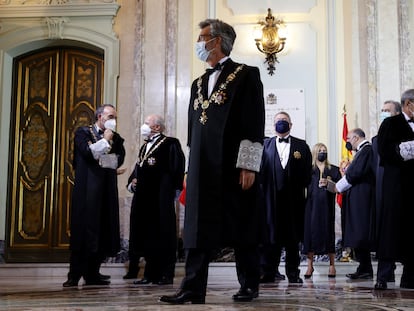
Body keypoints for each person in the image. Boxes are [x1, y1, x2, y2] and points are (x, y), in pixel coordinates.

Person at [160, 18, 265, 304]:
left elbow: (254, 123)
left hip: (233, 166)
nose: (199, 43)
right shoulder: (198, 83)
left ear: (216, 40)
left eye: (202, 37)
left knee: (242, 225)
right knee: (196, 228)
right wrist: (189, 170)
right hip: (201, 167)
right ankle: (192, 288)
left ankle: (249, 284)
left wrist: (249, 164)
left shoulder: (246, 75)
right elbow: (194, 129)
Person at [63, 104, 126, 287]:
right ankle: (74, 275)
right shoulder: (83, 133)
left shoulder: (118, 139)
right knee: (83, 231)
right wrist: (105, 142)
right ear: (99, 116)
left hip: (105, 191)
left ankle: (93, 273)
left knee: (102, 231)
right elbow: (86, 153)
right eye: (110, 116)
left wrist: (101, 158)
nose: (113, 119)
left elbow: (117, 160)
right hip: (86, 191)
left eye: (115, 116)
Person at [123, 114, 185, 285]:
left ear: (157, 127)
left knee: (163, 235)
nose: (143, 126)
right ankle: (150, 274)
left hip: (161, 199)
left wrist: (170, 190)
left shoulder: (170, 143)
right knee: (149, 236)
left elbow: (177, 168)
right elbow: (139, 169)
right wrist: (133, 182)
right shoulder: (144, 148)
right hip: (145, 200)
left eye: (146, 123)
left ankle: (166, 275)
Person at [259, 111, 312, 284]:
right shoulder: (265, 145)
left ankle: (293, 274)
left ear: (291, 124)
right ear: (273, 125)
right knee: (271, 239)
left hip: (293, 201)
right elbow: (260, 172)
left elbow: (307, 174)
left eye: (284, 121)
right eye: (278, 121)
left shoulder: (301, 145)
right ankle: (269, 272)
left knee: (292, 240)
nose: (281, 123)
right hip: (269, 201)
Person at [376, 89, 414, 290]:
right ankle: (383, 276)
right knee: (390, 231)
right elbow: (384, 150)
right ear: (409, 104)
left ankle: (409, 277)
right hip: (396, 186)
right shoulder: (390, 123)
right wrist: (409, 149)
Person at [335, 128, 375, 280]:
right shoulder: (362, 152)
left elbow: (355, 174)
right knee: (358, 233)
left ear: (357, 138)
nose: (347, 141)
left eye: (349, 138)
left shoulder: (366, 150)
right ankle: (364, 268)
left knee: (360, 233)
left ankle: (365, 269)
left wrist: (337, 187)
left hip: (362, 200)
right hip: (358, 198)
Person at [371, 100, 400, 288]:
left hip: (404, 191)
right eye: (381, 110)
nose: (383, 113)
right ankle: (384, 275)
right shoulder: (376, 140)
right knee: (386, 235)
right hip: (384, 194)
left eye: (387, 111)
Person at [303, 143, 341, 279]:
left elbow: (340, 187)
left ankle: (332, 266)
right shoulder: (308, 169)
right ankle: (309, 266)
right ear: (315, 152)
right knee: (310, 234)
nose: (322, 153)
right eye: (320, 150)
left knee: (328, 233)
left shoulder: (333, 169)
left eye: (324, 150)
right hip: (311, 206)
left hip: (327, 206)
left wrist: (329, 184)